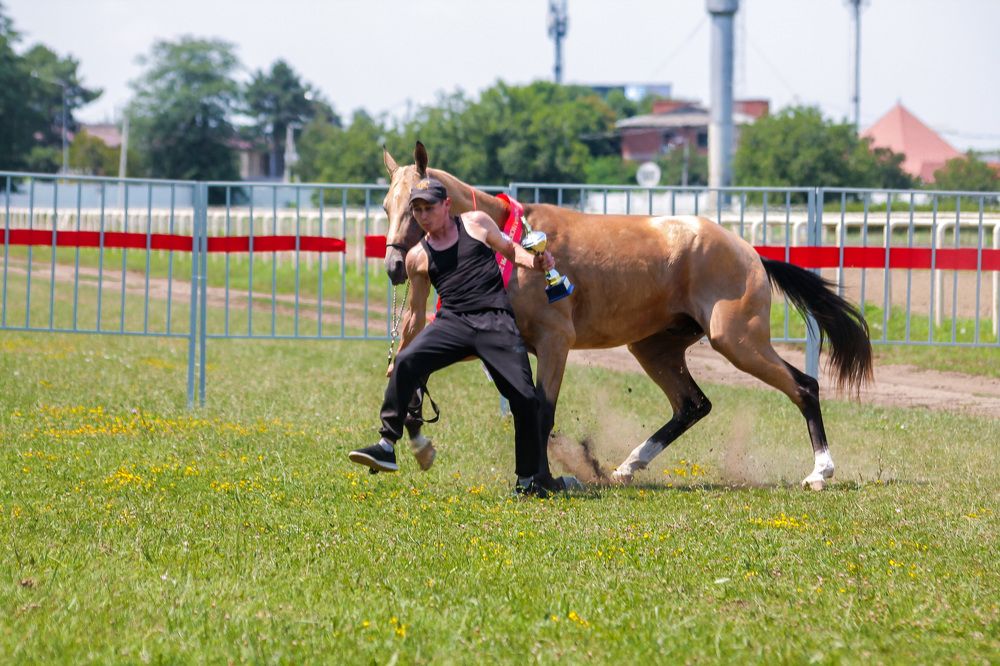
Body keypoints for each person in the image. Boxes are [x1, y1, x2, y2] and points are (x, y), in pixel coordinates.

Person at [348, 177, 569, 496]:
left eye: (429, 208)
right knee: (408, 362)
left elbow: (510, 249)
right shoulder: (417, 257)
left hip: (495, 320)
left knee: (525, 398)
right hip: (453, 322)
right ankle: (386, 444)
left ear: (446, 205)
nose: (424, 216)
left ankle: (527, 480)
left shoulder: (477, 223)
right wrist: (401, 352)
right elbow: (414, 313)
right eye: (418, 210)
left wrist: (535, 261)